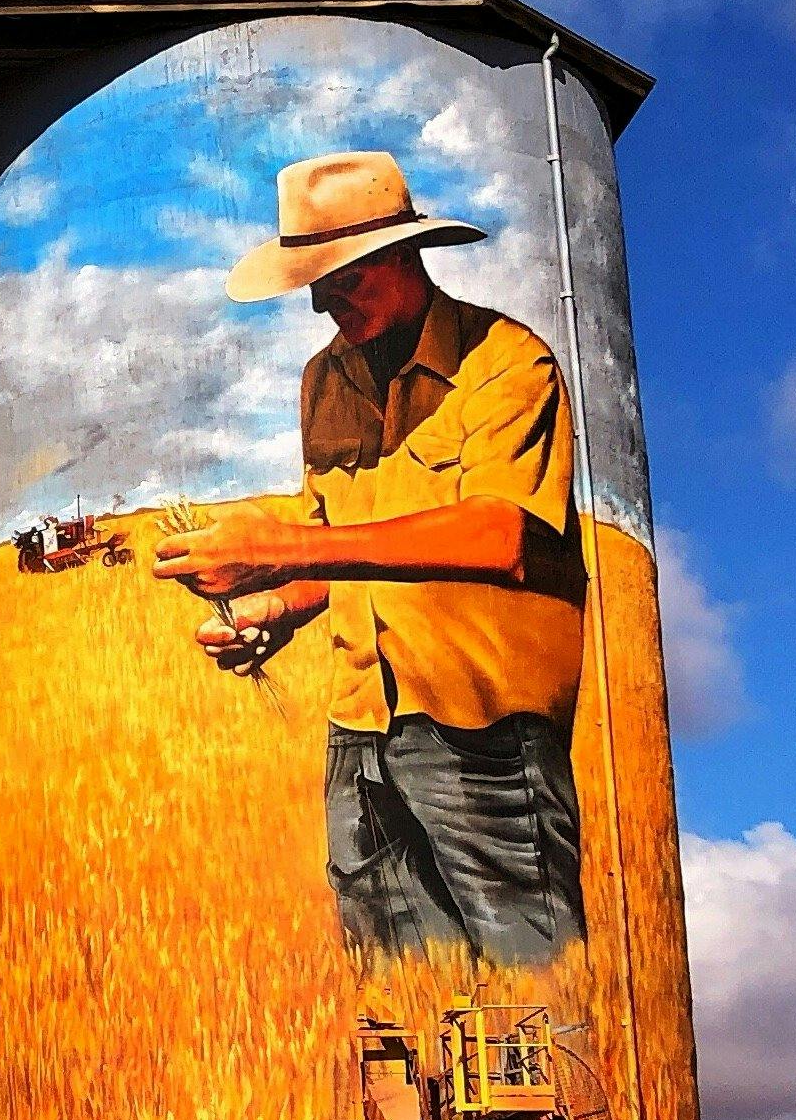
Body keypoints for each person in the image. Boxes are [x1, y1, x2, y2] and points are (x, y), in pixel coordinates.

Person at [152, 152, 587, 967]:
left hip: (481, 724)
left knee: (534, 983)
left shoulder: (504, 363)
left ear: (398, 256)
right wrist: (274, 611)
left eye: (339, 277)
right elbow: (345, 541)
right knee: (392, 997)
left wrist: (279, 550)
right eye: (311, 283)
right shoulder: (324, 379)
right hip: (357, 720)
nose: (322, 301)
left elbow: (495, 535)